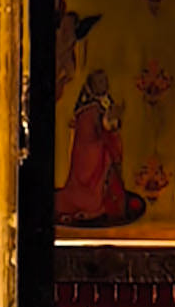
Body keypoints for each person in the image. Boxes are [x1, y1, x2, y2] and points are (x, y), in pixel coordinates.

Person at [54, 65, 143, 227]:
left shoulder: (106, 102)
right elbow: (88, 138)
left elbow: (109, 127)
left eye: (105, 81)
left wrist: (113, 126)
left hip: (103, 153)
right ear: (92, 85)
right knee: (91, 191)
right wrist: (107, 134)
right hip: (91, 158)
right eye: (100, 82)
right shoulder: (88, 110)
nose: (104, 84)